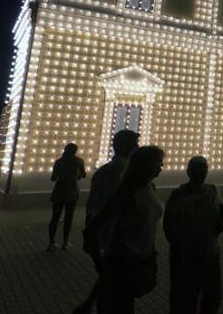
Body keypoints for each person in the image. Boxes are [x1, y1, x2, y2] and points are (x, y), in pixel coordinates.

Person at [85, 146, 165, 314]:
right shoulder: (126, 193)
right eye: (158, 163)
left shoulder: (150, 188)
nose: (161, 167)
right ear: (145, 165)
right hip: (122, 265)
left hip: (141, 262)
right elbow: (92, 229)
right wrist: (101, 264)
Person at [75, 130, 139, 314]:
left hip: (106, 239)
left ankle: (91, 304)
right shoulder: (128, 174)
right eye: (135, 144)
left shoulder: (102, 172)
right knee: (119, 293)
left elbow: (92, 206)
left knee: (110, 282)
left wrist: (90, 235)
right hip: (122, 241)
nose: (137, 148)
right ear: (126, 147)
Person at [164, 156, 223, 314]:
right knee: (185, 296)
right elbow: (168, 225)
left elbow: (219, 218)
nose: (200, 175)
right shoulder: (178, 195)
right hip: (184, 255)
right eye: (196, 171)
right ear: (188, 172)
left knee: (212, 294)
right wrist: (176, 247)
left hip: (209, 251)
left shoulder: (212, 190)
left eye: (203, 171)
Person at [48, 143, 87, 250]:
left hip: (59, 190)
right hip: (72, 191)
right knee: (69, 217)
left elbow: (53, 178)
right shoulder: (79, 161)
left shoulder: (59, 162)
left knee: (55, 217)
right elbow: (83, 175)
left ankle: (51, 242)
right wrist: (76, 176)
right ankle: (65, 242)